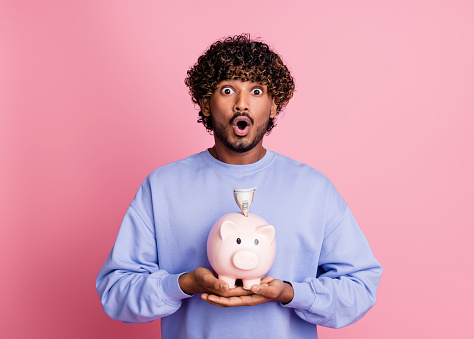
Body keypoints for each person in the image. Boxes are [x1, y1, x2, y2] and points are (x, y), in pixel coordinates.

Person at [96, 34, 382, 339]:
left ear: (273, 107)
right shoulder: (162, 186)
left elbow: (360, 288)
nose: (242, 103)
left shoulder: (314, 190)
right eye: (228, 90)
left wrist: (289, 293)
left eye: (256, 91)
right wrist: (185, 284)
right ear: (206, 104)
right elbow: (115, 293)